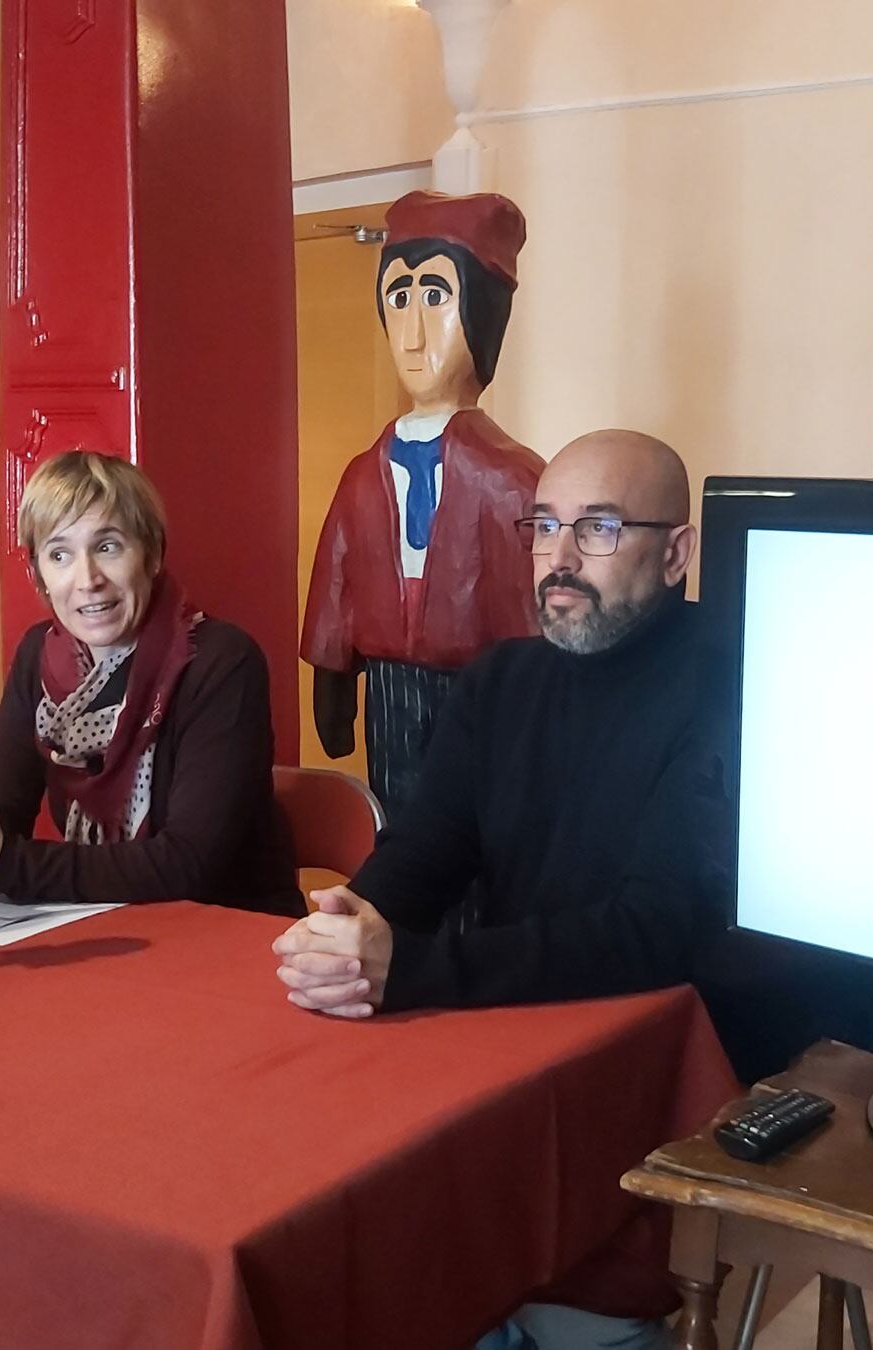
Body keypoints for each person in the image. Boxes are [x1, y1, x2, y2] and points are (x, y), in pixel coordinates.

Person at [275, 428, 719, 1350]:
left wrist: (420, 971)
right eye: (543, 526)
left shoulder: (731, 678)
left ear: (676, 552)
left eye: (597, 529)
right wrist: (356, 923)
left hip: (668, 1054)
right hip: (515, 1024)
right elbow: (428, 850)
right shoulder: (503, 681)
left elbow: (660, 928)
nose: (557, 559)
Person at [0, 452, 301, 915]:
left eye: (108, 547)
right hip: (103, 922)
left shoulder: (221, 661)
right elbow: (2, 817)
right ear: (39, 576)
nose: (88, 579)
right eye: (60, 555)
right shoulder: (40, 654)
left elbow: (190, 863)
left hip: (230, 931)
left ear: (152, 554)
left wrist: (4, 864)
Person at [301, 190, 544, 816]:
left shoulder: (514, 478)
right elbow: (336, 579)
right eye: (397, 298)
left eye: (437, 298)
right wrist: (332, 684)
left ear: (484, 316)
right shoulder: (362, 474)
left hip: (482, 688)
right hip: (389, 686)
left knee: (476, 830)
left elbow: (535, 617)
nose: (412, 334)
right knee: (395, 821)